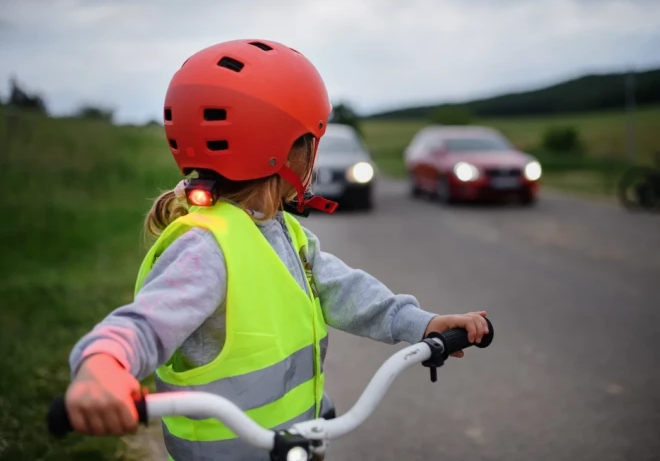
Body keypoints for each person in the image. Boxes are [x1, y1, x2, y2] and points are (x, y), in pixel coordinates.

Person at [65, 39, 490, 461]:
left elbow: (342, 289)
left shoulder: (279, 227)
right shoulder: (205, 250)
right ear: (287, 151)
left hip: (292, 439)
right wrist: (103, 363)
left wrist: (421, 323)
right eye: (311, 140)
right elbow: (145, 324)